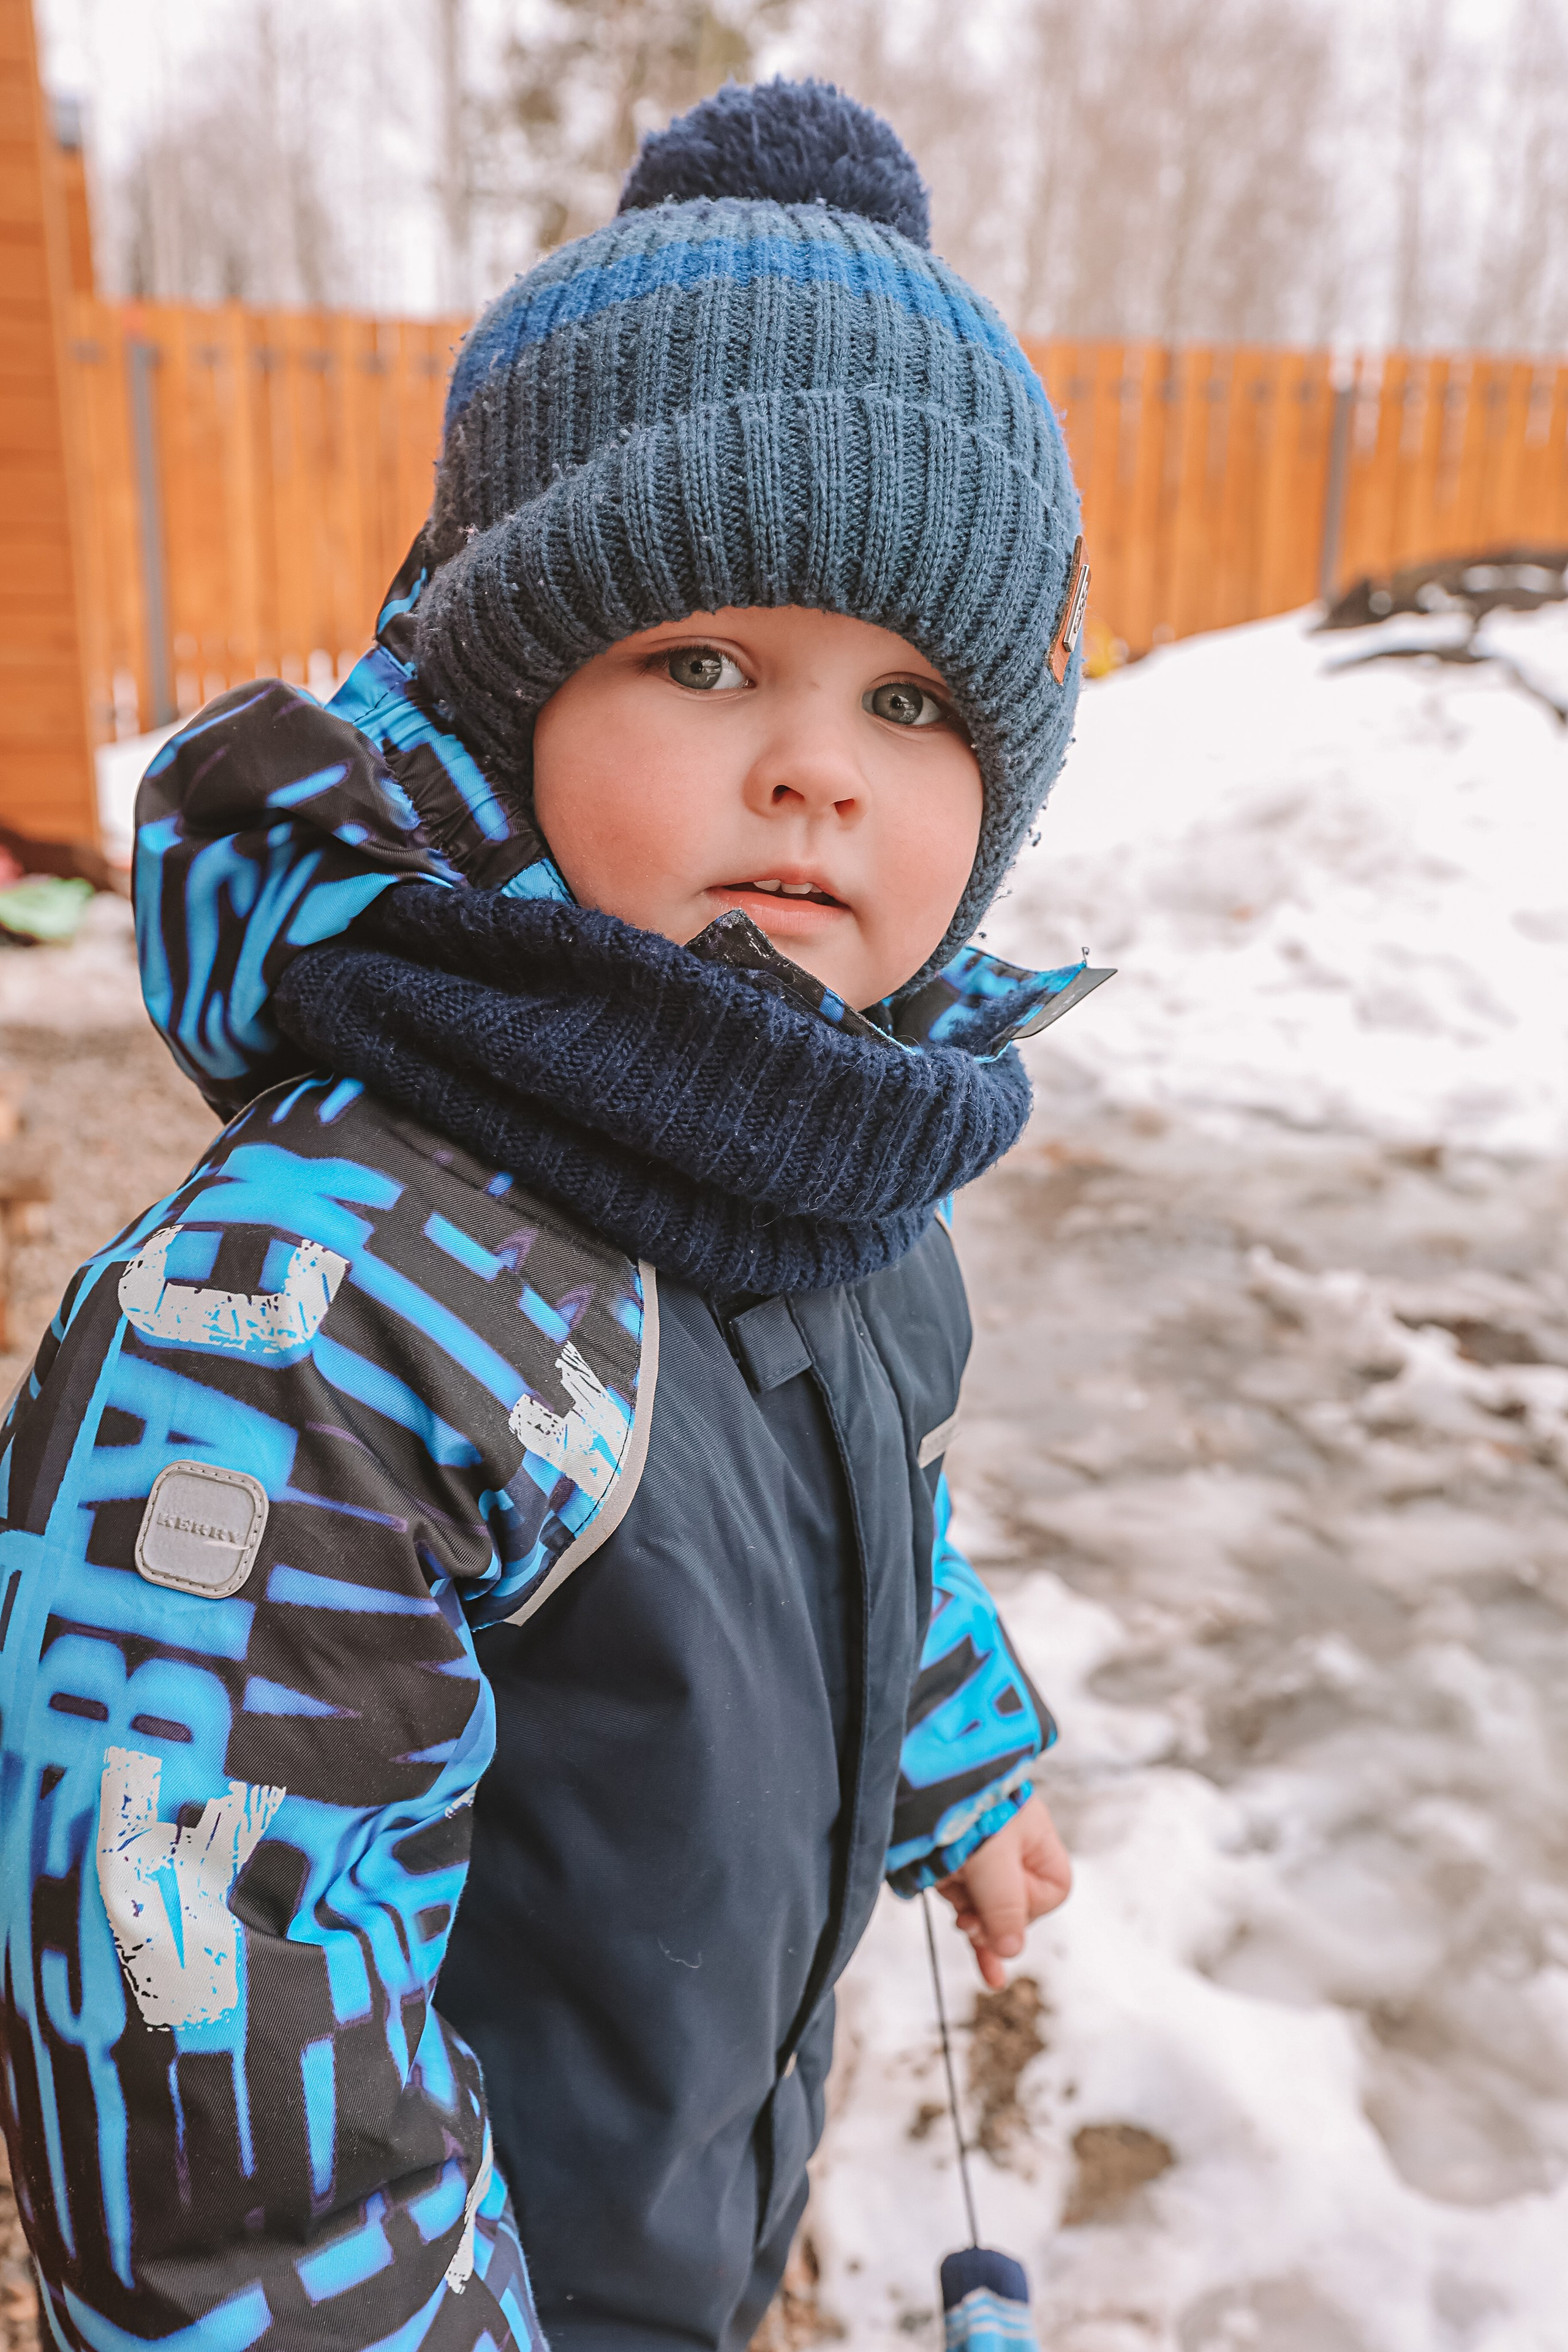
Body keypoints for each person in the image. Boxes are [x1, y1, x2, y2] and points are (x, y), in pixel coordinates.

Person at [0, 77, 1091, 2352]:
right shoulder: (301, 1327)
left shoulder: (839, 1160)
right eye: (704, 663)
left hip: (684, 2190)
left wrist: (954, 1749)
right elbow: (221, 2096)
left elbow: (856, 1511)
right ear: (508, 703)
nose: (816, 766)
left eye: (909, 700)